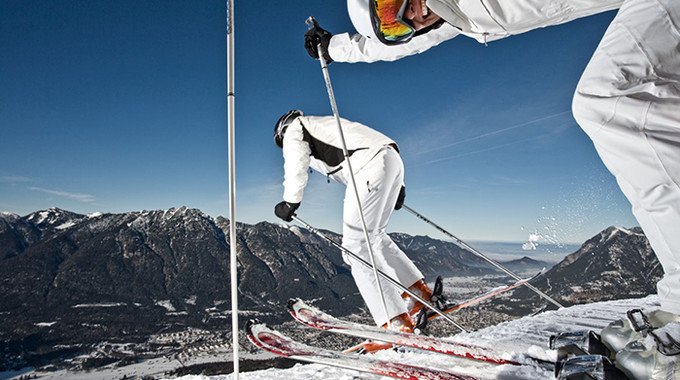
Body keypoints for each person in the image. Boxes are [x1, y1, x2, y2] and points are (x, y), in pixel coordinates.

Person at [305, 0, 680, 375]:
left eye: (392, 4)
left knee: (613, 101)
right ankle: (676, 305)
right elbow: (403, 44)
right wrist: (336, 48)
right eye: (394, 23)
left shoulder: (296, 133)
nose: (412, 16)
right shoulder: (455, 17)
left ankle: (393, 320)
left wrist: (292, 201)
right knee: (613, 98)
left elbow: (321, 161)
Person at [273, 110, 434, 352]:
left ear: (281, 132)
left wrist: (290, 201)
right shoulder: (324, 125)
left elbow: (296, 161)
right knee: (375, 237)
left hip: (368, 166)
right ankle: (416, 293)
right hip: (390, 160)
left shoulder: (296, 128)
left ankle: (395, 322)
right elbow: (378, 144)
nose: (284, 145)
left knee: (355, 248)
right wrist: (398, 186)